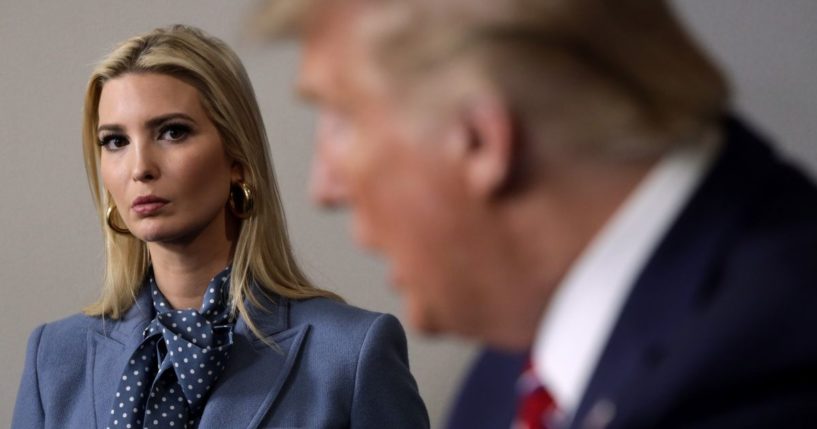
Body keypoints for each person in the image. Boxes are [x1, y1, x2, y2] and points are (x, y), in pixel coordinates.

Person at [255, 0, 817, 427]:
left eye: (341, 120)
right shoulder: (515, 369)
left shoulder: (771, 370)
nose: (323, 187)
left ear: (478, 139)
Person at [12, 24, 428, 429]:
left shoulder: (351, 354)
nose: (140, 168)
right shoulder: (54, 359)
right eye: (115, 141)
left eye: (172, 132)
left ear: (237, 158)